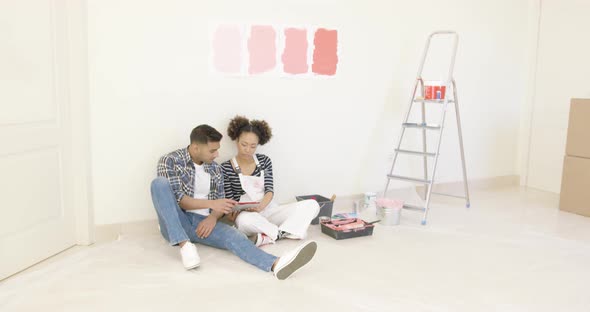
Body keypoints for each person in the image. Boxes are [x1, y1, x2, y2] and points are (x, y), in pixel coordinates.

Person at [150, 124, 316, 280]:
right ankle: (184, 244)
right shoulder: (170, 161)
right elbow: (181, 201)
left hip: (202, 223)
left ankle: (276, 264)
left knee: (235, 236)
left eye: (217, 150)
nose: (217, 155)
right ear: (195, 148)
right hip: (176, 221)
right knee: (158, 184)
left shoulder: (214, 168)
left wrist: (213, 217)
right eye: (212, 151)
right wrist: (211, 204)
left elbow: (220, 201)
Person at [221, 116, 320, 247]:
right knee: (244, 221)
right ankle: (287, 231)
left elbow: (269, 190)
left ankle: (269, 235)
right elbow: (230, 199)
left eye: (253, 146)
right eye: (244, 144)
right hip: (247, 215)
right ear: (236, 141)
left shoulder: (264, 161)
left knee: (312, 205)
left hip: (269, 210)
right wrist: (231, 214)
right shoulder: (225, 167)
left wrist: (260, 207)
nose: (247, 149)